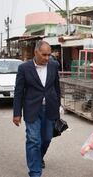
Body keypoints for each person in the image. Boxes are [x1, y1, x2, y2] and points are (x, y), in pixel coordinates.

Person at [13, 41, 61, 177]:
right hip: (32, 109)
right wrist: (17, 113)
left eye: (49, 55)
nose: (47, 58)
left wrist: (58, 106)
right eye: (44, 54)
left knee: (46, 138)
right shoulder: (24, 68)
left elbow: (57, 88)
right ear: (36, 52)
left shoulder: (53, 65)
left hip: (50, 108)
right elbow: (18, 91)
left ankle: (38, 157)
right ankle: (35, 172)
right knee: (34, 140)